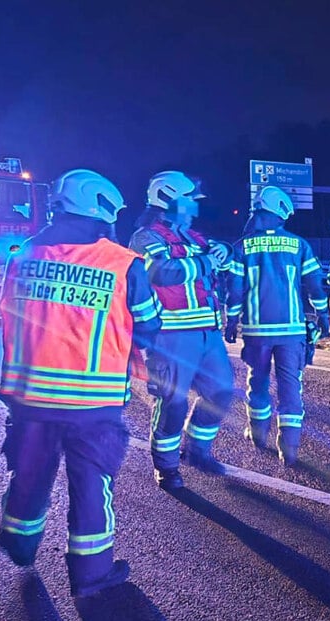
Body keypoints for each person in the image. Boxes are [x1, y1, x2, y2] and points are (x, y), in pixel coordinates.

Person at [0, 169, 162, 597]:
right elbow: (147, 326)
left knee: (29, 474)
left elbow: (6, 311)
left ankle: (18, 544)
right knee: (91, 485)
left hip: (30, 398)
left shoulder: (25, 253)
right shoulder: (123, 264)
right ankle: (90, 575)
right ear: (101, 209)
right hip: (93, 402)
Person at [128, 170, 234, 490]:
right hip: (170, 336)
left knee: (221, 391)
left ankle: (197, 452)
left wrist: (225, 252)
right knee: (172, 403)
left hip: (207, 332)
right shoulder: (145, 236)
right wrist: (205, 263)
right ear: (168, 200)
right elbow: (160, 272)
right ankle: (167, 467)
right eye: (188, 201)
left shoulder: (192, 236)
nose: (193, 207)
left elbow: (222, 258)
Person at [224, 186, 329, 465]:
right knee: (290, 389)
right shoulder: (299, 245)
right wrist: (324, 314)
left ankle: (258, 435)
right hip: (292, 332)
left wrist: (232, 320)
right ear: (281, 212)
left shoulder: (242, 246)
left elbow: (235, 289)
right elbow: (315, 285)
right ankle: (289, 449)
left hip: (257, 332)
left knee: (257, 383)